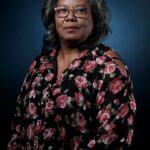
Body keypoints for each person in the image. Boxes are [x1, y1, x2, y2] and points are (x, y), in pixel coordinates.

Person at [7, 0, 136, 149]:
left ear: (95, 17)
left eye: (80, 10)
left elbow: (113, 140)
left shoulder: (109, 67)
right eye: (62, 10)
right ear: (53, 16)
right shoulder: (39, 65)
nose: (70, 17)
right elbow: (18, 128)